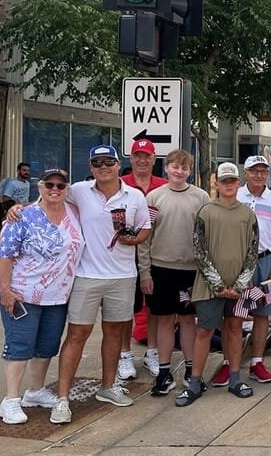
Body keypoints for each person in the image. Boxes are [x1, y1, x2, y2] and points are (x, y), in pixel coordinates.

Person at [51, 145, 151, 423]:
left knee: (115, 333)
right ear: (91, 167)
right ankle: (62, 398)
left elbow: (145, 227)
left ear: (119, 165)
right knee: (77, 335)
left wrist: (136, 239)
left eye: (109, 161)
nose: (103, 167)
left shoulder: (134, 196)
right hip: (87, 274)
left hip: (122, 275)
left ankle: (108, 387)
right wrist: (19, 208)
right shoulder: (80, 190)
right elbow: (51, 194)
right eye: (97, 162)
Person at [0, 169, 82, 424]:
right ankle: (10, 400)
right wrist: (7, 291)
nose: (55, 189)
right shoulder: (22, 216)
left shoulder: (74, 213)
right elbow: (5, 255)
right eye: (50, 184)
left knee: (46, 346)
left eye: (61, 185)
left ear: (67, 189)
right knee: (19, 345)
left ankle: (35, 391)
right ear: (40, 186)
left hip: (57, 295)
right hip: (23, 293)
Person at [175, 162, 258, 407]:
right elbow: (199, 251)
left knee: (235, 330)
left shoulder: (248, 215)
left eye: (233, 181)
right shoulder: (206, 212)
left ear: (238, 183)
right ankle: (195, 383)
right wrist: (218, 284)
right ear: (217, 184)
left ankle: (235, 379)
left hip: (239, 287)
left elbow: (252, 252)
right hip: (209, 286)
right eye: (224, 181)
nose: (229, 185)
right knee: (204, 331)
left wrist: (240, 284)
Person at [208, 155, 271, 386]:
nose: (259, 174)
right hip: (235, 262)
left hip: (264, 261)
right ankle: (228, 363)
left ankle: (257, 361)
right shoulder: (235, 195)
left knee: (263, 314)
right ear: (245, 173)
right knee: (233, 315)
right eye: (254, 170)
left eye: (263, 171)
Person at [138, 149, 210, 396]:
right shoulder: (154, 198)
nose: (179, 172)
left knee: (189, 320)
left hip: (190, 272)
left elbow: (206, 236)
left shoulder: (201, 198)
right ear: (166, 168)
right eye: (174, 167)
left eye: (184, 168)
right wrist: (145, 273)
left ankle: (192, 370)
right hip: (161, 270)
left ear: (190, 171)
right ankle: (165, 372)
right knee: (164, 320)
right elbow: (145, 239)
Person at [120, 138, 168, 381]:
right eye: (137, 155)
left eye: (146, 156)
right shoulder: (120, 185)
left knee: (153, 307)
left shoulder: (163, 186)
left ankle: (152, 351)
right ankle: (125, 353)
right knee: (127, 307)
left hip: (155, 256)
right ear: (131, 158)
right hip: (124, 257)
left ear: (153, 159)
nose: (142, 160)